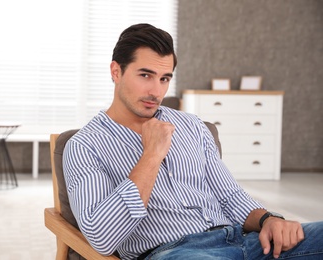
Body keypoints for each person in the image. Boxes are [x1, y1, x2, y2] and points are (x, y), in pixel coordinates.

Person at [63, 23, 323, 260]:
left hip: (243, 243)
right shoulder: (85, 146)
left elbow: (230, 196)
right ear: (116, 71)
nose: (157, 91)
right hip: (175, 252)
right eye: (145, 75)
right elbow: (101, 238)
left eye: (164, 78)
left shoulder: (192, 126)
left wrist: (268, 220)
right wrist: (151, 156)